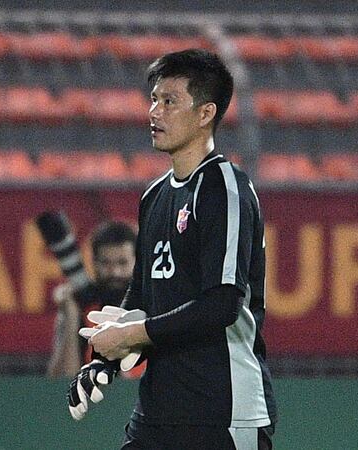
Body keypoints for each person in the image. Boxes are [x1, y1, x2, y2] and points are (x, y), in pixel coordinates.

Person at [68, 49, 277, 449]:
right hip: (157, 413)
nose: (154, 112)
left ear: (205, 114)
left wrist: (132, 333)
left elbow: (222, 304)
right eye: (153, 99)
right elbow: (143, 295)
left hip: (222, 412)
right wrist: (105, 361)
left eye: (170, 101)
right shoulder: (154, 197)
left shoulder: (223, 187)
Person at [46, 221, 137, 378]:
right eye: (106, 263)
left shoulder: (153, 304)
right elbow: (59, 382)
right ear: (94, 262)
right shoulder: (81, 305)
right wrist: (71, 317)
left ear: (138, 262)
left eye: (122, 263)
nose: (115, 272)